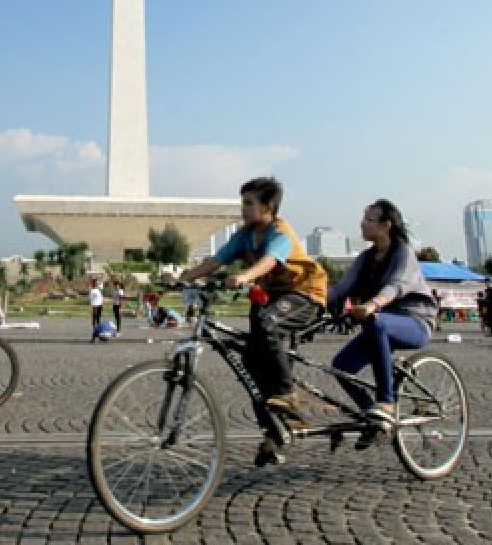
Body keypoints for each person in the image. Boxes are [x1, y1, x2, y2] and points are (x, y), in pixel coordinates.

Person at [178, 177, 327, 418]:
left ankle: (287, 392)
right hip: (271, 296)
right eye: (243, 203)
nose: (243, 209)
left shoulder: (281, 232)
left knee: (268, 322)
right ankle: (274, 421)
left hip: (304, 295)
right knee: (251, 354)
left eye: (249, 204)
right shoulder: (245, 234)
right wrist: (184, 279)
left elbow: (269, 260)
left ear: (268, 207)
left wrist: (245, 276)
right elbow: (217, 260)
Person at [328, 199, 438, 449]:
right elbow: (341, 288)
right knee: (341, 366)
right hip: (379, 324)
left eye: (368, 219)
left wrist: (372, 305)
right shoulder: (365, 259)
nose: (362, 224)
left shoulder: (403, 252)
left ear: (386, 225)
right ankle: (374, 417)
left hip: (415, 321)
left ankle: (385, 403)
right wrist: (308, 299)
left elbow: (397, 285)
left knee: (378, 324)